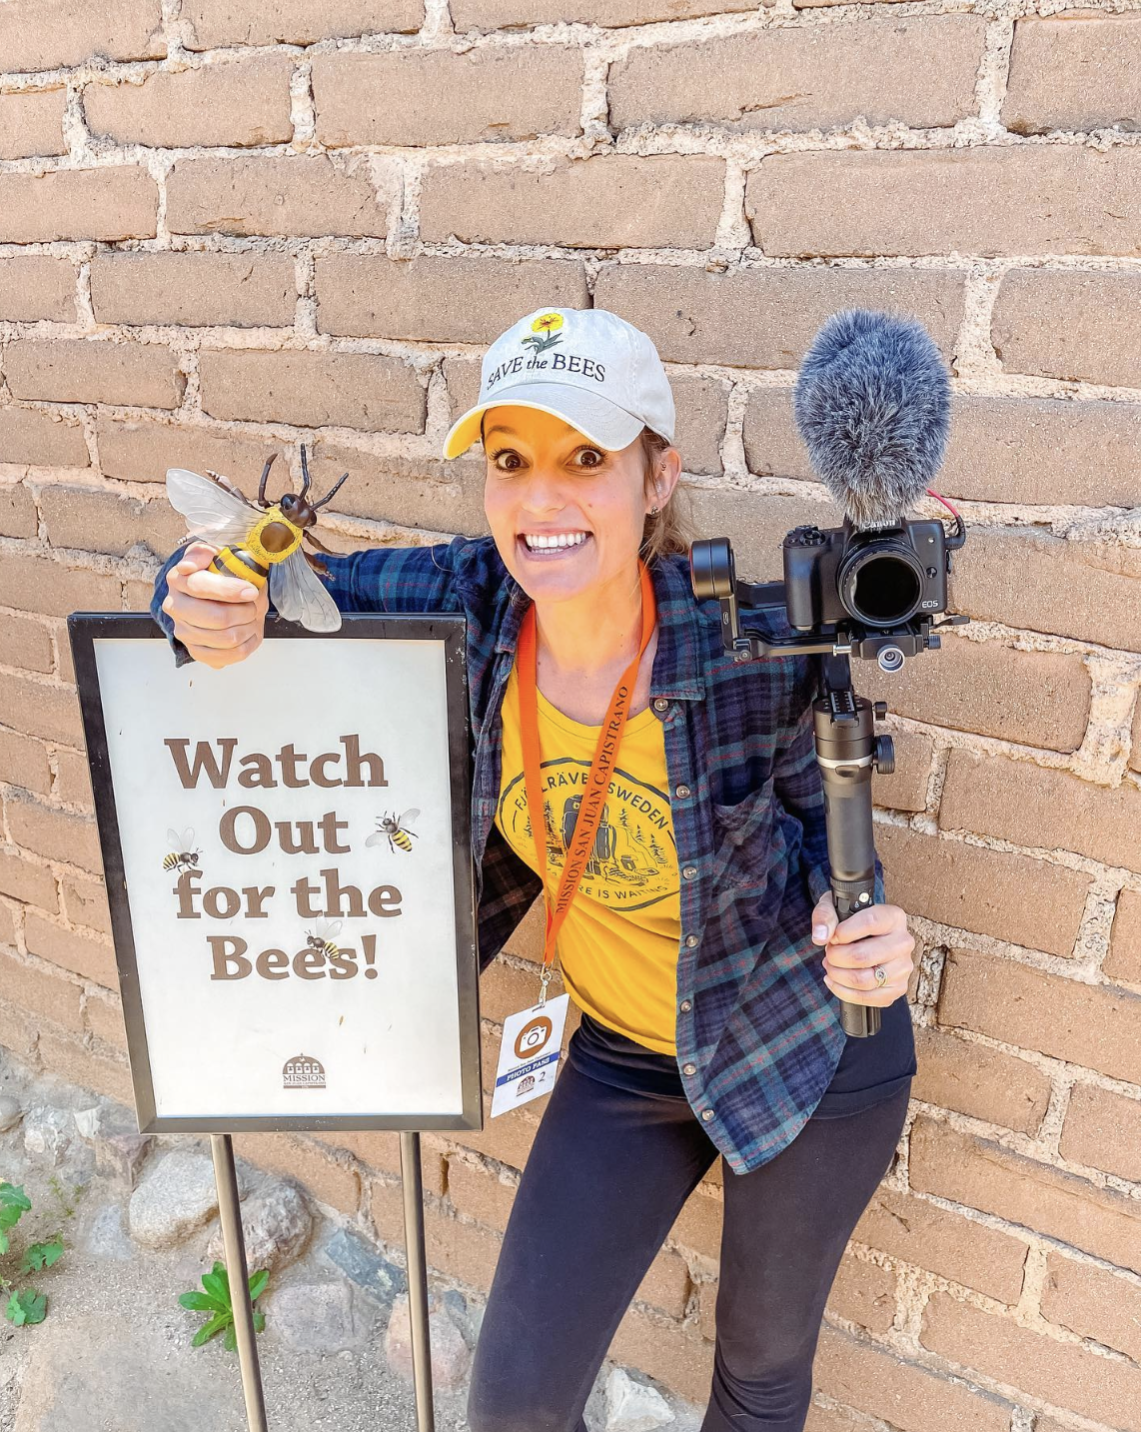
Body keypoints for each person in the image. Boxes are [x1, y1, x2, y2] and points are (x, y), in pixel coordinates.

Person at [149, 307, 917, 1432]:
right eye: (509, 460)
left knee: (757, 1376)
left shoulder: (749, 645)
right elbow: (275, 583)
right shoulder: (473, 603)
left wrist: (870, 940)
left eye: (586, 459)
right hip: (623, 1058)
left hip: (799, 1046)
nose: (540, 497)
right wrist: (198, 597)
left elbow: (831, 853)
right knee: (511, 1402)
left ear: (658, 479)